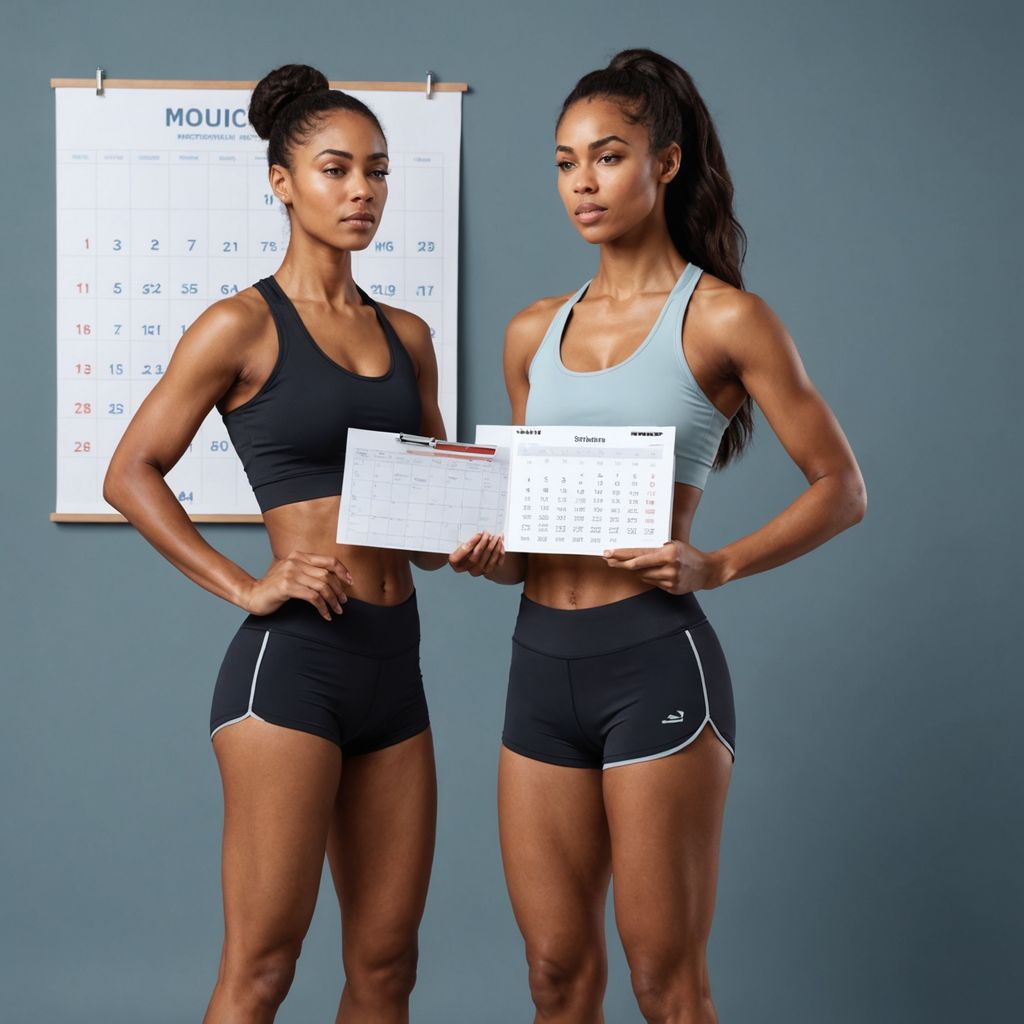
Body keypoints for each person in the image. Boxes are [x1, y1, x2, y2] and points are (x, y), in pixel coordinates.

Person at [454, 48, 867, 1023]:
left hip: (653, 662)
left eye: (606, 156)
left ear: (665, 163)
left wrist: (715, 562)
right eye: (563, 162)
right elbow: (525, 532)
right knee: (555, 974)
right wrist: (484, 553)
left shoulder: (724, 320)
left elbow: (841, 488)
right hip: (538, 664)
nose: (581, 183)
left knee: (662, 982)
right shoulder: (530, 332)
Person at [104, 64, 450, 1023]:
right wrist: (245, 584)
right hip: (295, 668)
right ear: (281, 182)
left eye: (376, 172)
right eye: (335, 170)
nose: (361, 193)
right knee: (264, 965)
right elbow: (129, 470)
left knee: (386, 967)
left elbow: (424, 528)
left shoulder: (411, 337)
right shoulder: (240, 326)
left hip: (397, 664)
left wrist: (478, 534)